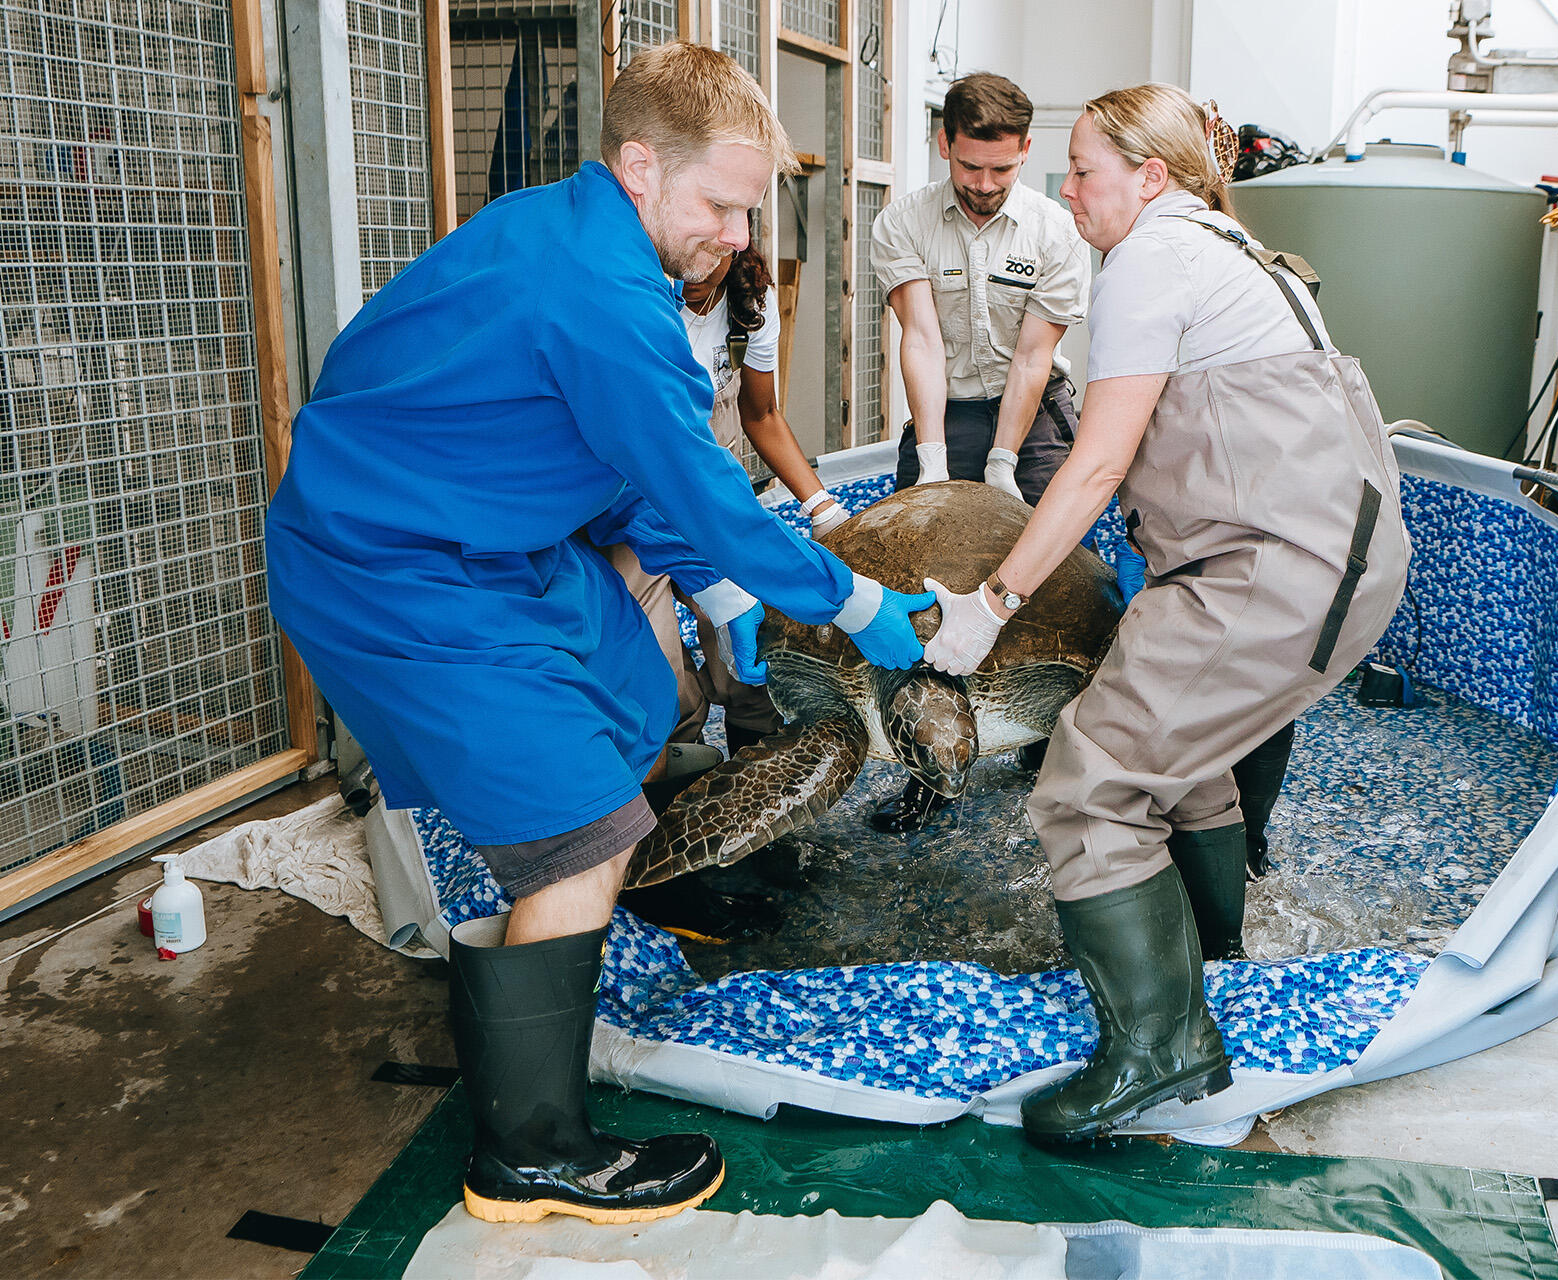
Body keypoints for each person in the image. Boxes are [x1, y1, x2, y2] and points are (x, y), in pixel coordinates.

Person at [264, 44, 933, 1225]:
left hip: (491, 533)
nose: (738, 234)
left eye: (748, 207)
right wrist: (853, 600)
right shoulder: (608, 302)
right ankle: (532, 1148)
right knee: (578, 835)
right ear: (639, 168)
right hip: (399, 568)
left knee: (641, 691)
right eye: (722, 205)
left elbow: (631, 485)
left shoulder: (557, 229)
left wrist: (715, 594)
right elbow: (703, 491)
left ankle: (584, 893)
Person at [920, 84, 1411, 1145]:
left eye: (1083, 168)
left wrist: (992, 605)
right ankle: (1205, 971)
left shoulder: (1152, 256)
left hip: (1278, 568)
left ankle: (1158, 1049)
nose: (1066, 189)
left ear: (1149, 177)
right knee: (1178, 756)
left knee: (1090, 778)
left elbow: (1096, 462)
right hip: (1307, 557)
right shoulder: (1228, 247)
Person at [866, 71, 1092, 832]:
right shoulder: (904, 222)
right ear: (944, 146)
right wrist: (931, 456)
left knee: (1054, 570)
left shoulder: (1057, 234)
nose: (985, 184)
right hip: (946, 403)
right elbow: (920, 339)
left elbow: (1033, 361)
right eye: (969, 167)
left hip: (1032, 411)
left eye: (1002, 168)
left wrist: (1004, 463)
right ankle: (928, 768)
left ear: (1027, 151)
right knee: (915, 570)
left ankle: (1050, 749)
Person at [612, 240, 851, 942]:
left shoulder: (749, 303)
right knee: (655, 684)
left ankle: (754, 833)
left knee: (761, 666)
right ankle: (664, 873)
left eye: (729, 223)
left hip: (713, 499)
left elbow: (761, 417)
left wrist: (823, 510)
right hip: (629, 503)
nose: (709, 244)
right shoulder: (634, 295)